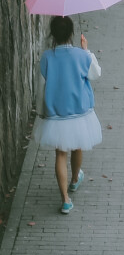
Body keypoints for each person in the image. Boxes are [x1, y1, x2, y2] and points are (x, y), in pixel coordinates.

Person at [39, 16, 102, 214]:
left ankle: (65, 199)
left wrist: (42, 111)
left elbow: (40, 86)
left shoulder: (47, 57)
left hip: (57, 112)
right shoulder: (81, 55)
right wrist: (87, 51)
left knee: (60, 153)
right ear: (72, 33)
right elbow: (95, 74)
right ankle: (75, 179)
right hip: (79, 111)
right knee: (77, 145)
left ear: (52, 34)